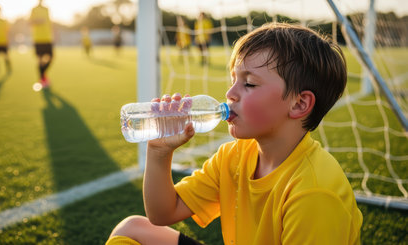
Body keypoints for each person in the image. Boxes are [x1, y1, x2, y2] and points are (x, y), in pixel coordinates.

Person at [106, 22, 363, 245]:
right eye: (233, 79)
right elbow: (163, 213)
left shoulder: (314, 193)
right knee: (133, 229)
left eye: (249, 83)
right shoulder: (234, 155)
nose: (230, 93)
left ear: (298, 104)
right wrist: (159, 152)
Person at [29, 0, 53, 89]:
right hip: (38, 38)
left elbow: (50, 23)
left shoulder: (47, 9)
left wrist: (53, 33)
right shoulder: (33, 9)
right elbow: (30, 22)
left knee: (51, 57)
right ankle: (43, 79)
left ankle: (42, 76)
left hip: (48, 38)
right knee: (39, 60)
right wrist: (38, 21)